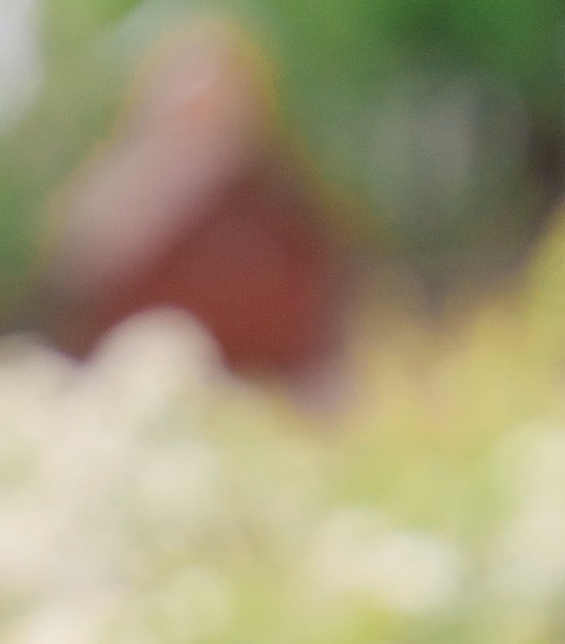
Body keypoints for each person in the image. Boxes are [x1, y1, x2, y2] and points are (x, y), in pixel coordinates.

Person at [41, 14, 343, 382]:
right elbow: (77, 279)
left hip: (265, 395)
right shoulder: (119, 196)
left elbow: (324, 298)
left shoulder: (279, 200)